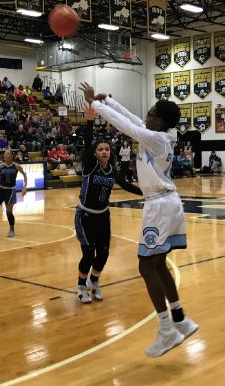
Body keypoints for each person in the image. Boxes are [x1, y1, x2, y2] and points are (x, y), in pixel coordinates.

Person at [79, 82, 198, 358]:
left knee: (146, 267)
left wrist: (94, 105)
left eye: (151, 113)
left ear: (159, 120)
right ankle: (180, 317)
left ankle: (167, 330)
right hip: (167, 203)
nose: (146, 115)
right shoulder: (159, 135)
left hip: (159, 205)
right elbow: (132, 119)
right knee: (157, 265)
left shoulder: (156, 139)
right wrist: (107, 99)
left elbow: (127, 127)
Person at [75, 113, 142, 304]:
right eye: (100, 149)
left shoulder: (112, 170)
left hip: (103, 216)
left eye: (106, 149)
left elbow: (127, 186)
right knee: (88, 254)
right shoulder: (90, 166)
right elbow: (88, 142)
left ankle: (94, 282)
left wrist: (147, 192)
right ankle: (81, 286)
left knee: (103, 253)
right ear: (95, 153)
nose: (104, 152)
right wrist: (89, 120)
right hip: (85, 216)